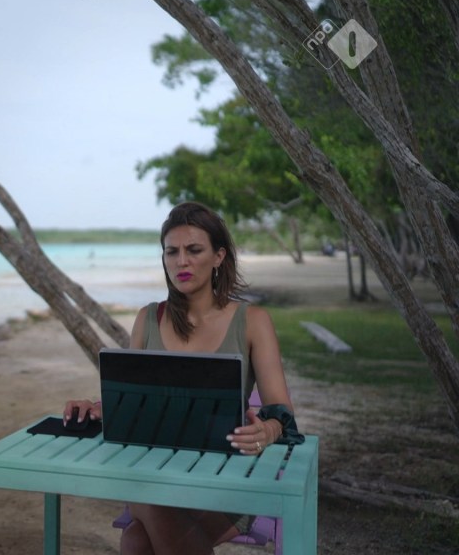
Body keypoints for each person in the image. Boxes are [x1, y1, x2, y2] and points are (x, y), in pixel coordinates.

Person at [63, 201, 300, 555]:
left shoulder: (253, 322)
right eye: (171, 252)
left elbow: (282, 411)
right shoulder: (148, 319)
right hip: (153, 472)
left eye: (194, 250)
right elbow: (135, 402)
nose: (181, 262)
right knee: (148, 511)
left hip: (224, 479)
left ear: (219, 256)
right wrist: (98, 407)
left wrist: (268, 429)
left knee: (136, 540)